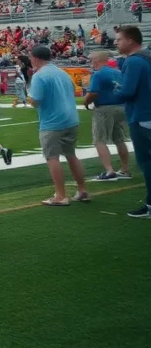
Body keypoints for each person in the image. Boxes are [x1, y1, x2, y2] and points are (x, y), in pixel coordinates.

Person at [27, 45, 88, 206]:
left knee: (52, 157)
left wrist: (28, 96)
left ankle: (60, 195)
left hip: (52, 122)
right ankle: (82, 190)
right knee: (71, 154)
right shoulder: (63, 73)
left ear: (36, 58)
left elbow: (35, 101)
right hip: (71, 119)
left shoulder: (39, 76)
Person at [113, 25, 151, 218]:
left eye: (119, 39)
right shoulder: (147, 56)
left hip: (142, 116)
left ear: (130, 40)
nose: (116, 43)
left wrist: (114, 93)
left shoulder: (134, 61)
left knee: (147, 162)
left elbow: (127, 92)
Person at [84, 51, 132, 181]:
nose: (90, 63)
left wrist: (86, 102)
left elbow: (93, 93)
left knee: (99, 140)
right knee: (119, 139)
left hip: (104, 108)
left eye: (91, 60)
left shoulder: (98, 74)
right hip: (120, 107)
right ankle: (125, 169)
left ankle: (109, 170)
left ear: (96, 61)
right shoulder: (117, 72)